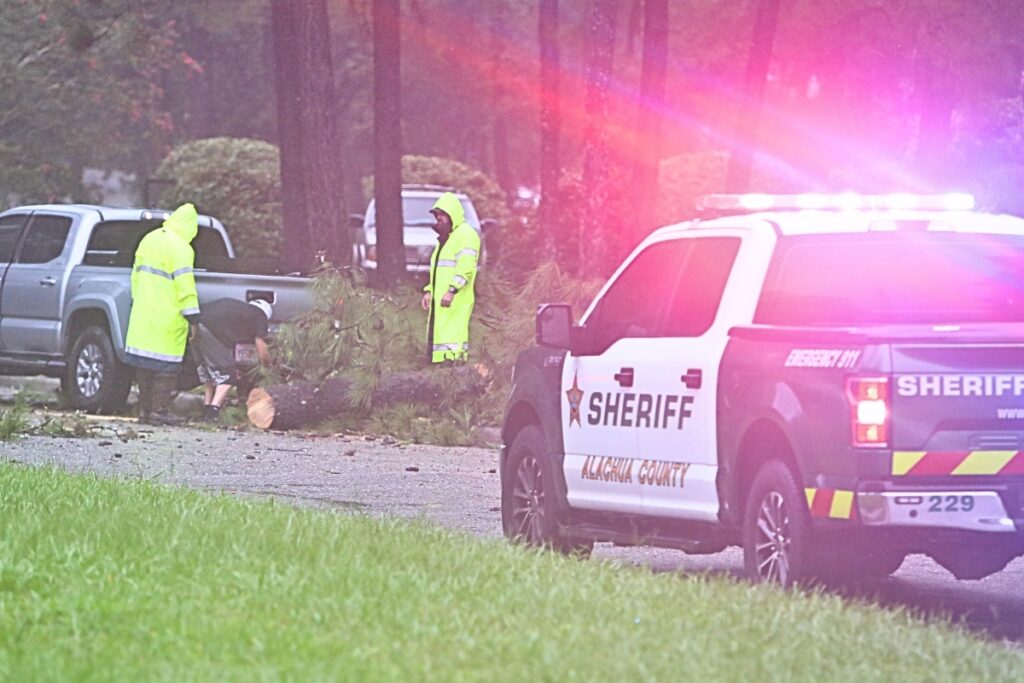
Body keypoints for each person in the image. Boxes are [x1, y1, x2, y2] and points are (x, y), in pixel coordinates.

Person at [124, 203, 201, 425]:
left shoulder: (149, 239)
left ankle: (144, 412)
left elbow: (135, 277)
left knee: (144, 367)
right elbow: (185, 287)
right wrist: (193, 318)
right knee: (166, 369)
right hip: (168, 317)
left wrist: (140, 301)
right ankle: (159, 412)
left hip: (143, 314)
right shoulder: (182, 249)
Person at [420, 191, 481, 364]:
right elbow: (438, 271)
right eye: (436, 215)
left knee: (453, 335)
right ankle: (441, 369)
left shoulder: (466, 235)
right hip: (442, 299)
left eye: (441, 215)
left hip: (456, 299)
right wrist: (429, 291)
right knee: (440, 333)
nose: (438, 219)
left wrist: (452, 290)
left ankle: (454, 369)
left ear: (451, 214)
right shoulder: (447, 239)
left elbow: (466, 268)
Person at [189, 297, 273, 421]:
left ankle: (206, 409)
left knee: (208, 374)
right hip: (211, 329)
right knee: (228, 375)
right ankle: (213, 412)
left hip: (195, 327)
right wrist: (268, 365)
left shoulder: (239, 310)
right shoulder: (259, 315)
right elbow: (261, 347)